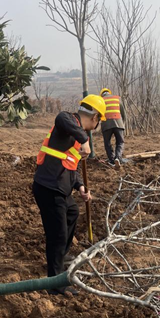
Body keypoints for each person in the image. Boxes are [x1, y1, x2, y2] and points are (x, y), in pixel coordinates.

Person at [33, 95, 102, 296]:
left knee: (72, 212)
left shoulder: (75, 131)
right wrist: (84, 139)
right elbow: (61, 118)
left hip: (59, 188)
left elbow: (70, 165)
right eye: (98, 122)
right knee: (58, 235)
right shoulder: (68, 121)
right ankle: (56, 285)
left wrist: (80, 186)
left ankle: (58, 259)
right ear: (95, 117)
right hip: (48, 188)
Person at [99, 88, 126, 167]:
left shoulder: (101, 100)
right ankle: (118, 158)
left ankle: (111, 160)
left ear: (102, 94)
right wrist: (122, 124)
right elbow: (123, 113)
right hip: (118, 123)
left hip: (106, 125)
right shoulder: (117, 98)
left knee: (107, 143)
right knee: (120, 142)